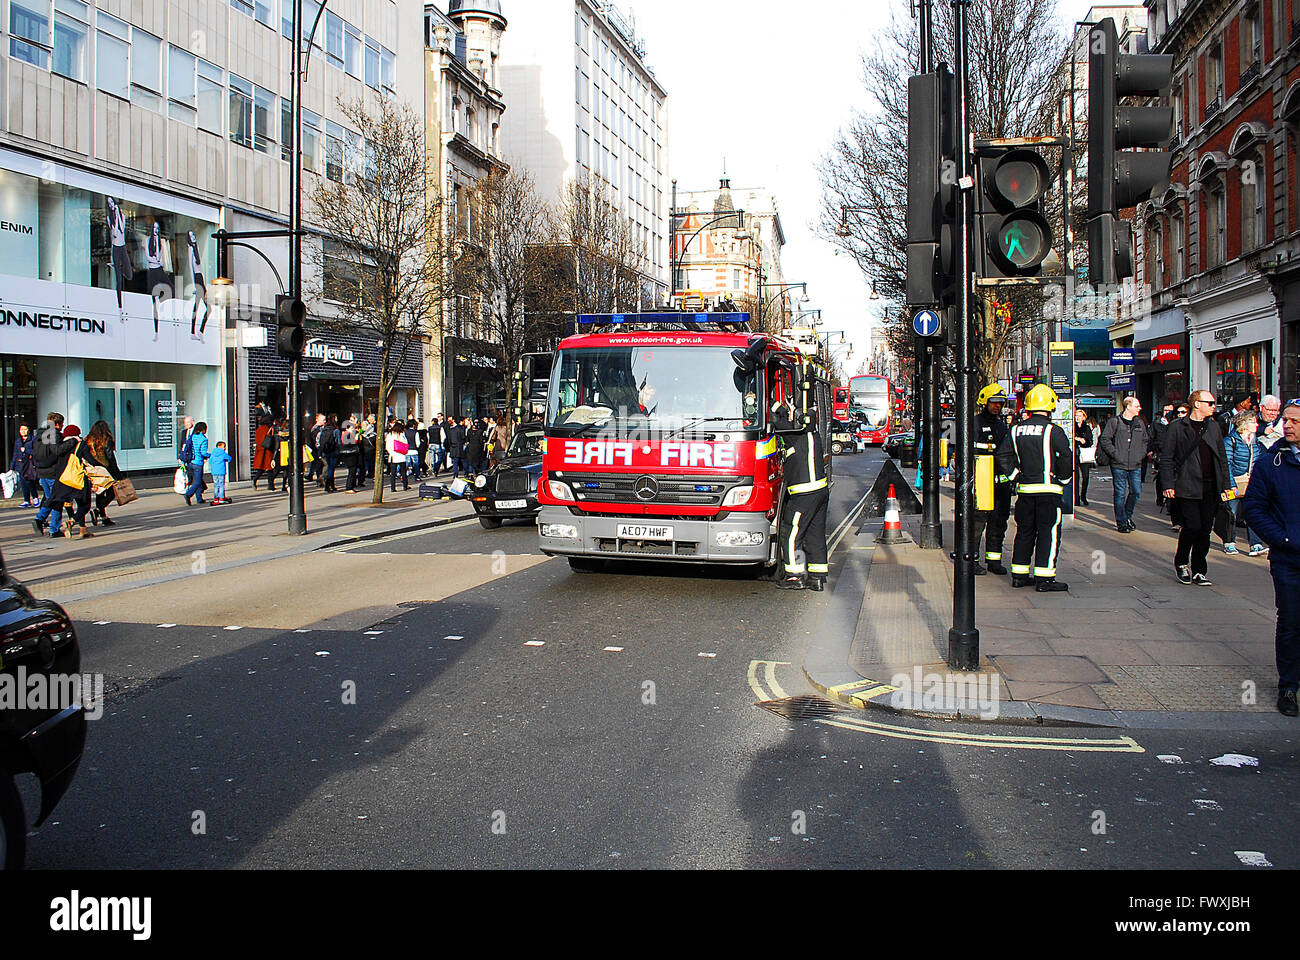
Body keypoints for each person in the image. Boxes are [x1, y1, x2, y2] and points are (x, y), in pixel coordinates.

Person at [1241, 399, 1300, 716]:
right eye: (1286, 420)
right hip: (1288, 559)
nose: (1287, 425)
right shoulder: (1271, 463)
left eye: (1294, 421)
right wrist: (1282, 538)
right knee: (1291, 622)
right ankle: (1289, 687)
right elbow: (1254, 509)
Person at [1159, 390, 1232, 585]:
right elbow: (1166, 458)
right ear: (1197, 404)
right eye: (1210, 402)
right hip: (1187, 484)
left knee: (1205, 529)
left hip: (1210, 485)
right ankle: (1182, 562)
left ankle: (1200, 570)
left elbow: (1222, 458)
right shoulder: (1177, 427)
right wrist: (1168, 484)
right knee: (1192, 526)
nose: (1213, 406)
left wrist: (1226, 485)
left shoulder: (1214, 427)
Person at [1009, 385, 1073, 592]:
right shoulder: (1054, 431)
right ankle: (1044, 578)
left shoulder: (1016, 430)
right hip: (1048, 492)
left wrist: (1015, 476)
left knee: (1024, 532)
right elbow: (1066, 457)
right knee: (1048, 532)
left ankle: (1019, 575)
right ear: (1051, 405)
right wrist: (1062, 479)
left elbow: (1003, 456)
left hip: (1025, 491)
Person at [772, 394, 829, 591]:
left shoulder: (794, 434)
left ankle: (794, 576)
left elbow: (776, 420)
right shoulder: (813, 434)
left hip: (803, 494)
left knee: (791, 532)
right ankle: (817, 577)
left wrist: (770, 401)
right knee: (815, 534)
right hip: (820, 491)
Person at [971, 384, 1016, 576]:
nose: (997, 406)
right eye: (994, 403)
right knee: (978, 523)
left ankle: (994, 560)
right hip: (982, 481)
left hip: (1001, 483)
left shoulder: (1002, 425)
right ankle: (971, 559)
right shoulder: (975, 423)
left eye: (1000, 403)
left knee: (999, 522)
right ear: (985, 403)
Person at [1099, 396, 1151, 533]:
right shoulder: (1114, 422)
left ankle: (1127, 516)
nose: (1139, 408)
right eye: (1137, 406)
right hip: (1118, 465)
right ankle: (1121, 522)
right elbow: (1105, 439)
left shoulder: (1140, 423)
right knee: (1120, 494)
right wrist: (1116, 454)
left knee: (1136, 491)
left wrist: (1141, 454)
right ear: (1128, 407)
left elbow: (1145, 441)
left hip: (1135, 464)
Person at [1222, 412, 1265, 556]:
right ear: (1244, 424)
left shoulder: (1255, 441)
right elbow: (1226, 463)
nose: (1257, 425)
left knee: (1253, 513)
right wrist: (1231, 483)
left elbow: (1258, 462)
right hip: (1235, 481)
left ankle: (1256, 544)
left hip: (1250, 482)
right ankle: (1229, 543)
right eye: (1253, 422)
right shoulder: (1230, 441)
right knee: (1231, 514)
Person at [33, 413, 79, 538]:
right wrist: (73, 441)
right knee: (57, 500)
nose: (63, 426)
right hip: (53, 472)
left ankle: (52, 527)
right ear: (57, 424)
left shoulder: (39, 435)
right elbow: (58, 450)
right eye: (62, 424)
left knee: (51, 498)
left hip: (42, 472)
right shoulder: (53, 434)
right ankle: (42, 520)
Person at [85, 420, 124, 525]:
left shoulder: (88, 439)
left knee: (100, 493)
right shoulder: (106, 439)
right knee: (111, 493)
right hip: (105, 470)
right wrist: (118, 474)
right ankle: (98, 510)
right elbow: (110, 457)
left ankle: (104, 517)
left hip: (92, 471)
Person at [1150, 403, 1175, 503]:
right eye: (1165, 410)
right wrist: (1151, 451)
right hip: (1160, 453)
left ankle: (1169, 501)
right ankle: (1160, 498)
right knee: (1160, 476)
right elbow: (1151, 437)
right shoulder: (1156, 423)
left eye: (1169, 411)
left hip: (1172, 454)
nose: (1167, 412)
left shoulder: (1176, 424)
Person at [10, 423, 39, 507]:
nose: (22, 431)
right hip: (20, 464)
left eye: (24, 429)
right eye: (21, 429)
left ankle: (35, 498)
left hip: (29, 464)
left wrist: (26, 450)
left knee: (29, 481)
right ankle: (26, 500)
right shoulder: (18, 441)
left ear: (28, 430)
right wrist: (12, 466)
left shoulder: (33, 439)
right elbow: (15, 454)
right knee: (23, 483)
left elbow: (36, 452)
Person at [182, 421, 210, 505]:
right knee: (197, 482)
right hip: (198, 463)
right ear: (203, 429)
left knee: (196, 481)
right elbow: (203, 453)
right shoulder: (203, 439)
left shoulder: (191, 437)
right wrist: (211, 455)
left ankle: (199, 498)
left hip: (190, 462)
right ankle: (188, 494)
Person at [1074, 408, 1096, 507]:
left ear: (1083, 417)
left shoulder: (1086, 428)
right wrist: (1079, 440)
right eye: (1076, 416)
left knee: (1086, 477)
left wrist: (1082, 440)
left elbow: (1090, 441)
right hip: (1074, 454)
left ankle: (1083, 496)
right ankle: (1077, 498)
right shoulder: (1072, 427)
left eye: (1079, 416)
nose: (1077, 418)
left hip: (1084, 454)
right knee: (1076, 478)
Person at [252, 416, 276, 490]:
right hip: (268, 450)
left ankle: (255, 480)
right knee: (270, 469)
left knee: (261, 469)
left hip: (261, 451)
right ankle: (270, 485)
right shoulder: (269, 429)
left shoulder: (259, 429)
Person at [319, 414, 341, 493]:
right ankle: (328, 485)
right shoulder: (336, 430)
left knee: (329, 468)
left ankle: (330, 485)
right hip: (333, 452)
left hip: (325, 451)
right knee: (331, 469)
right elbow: (338, 442)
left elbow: (320, 441)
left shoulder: (324, 429)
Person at [340, 419, 361, 493]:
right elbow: (348, 444)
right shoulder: (346, 434)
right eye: (352, 428)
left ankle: (351, 486)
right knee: (351, 471)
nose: (354, 429)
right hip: (349, 455)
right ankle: (348, 487)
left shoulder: (348, 434)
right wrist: (355, 439)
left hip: (351, 455)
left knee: (353, 471)